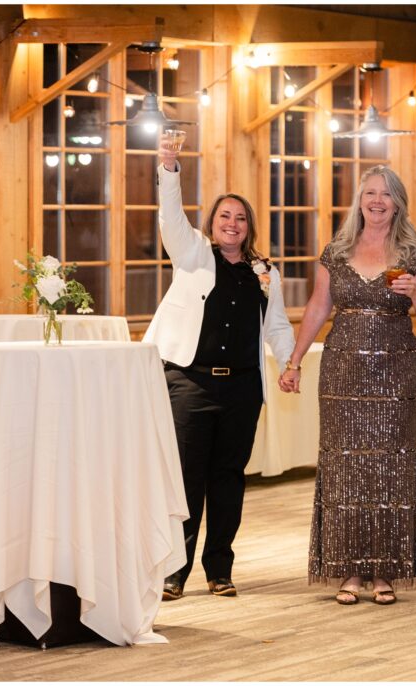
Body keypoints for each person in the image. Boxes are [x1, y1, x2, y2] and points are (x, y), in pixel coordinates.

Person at [279, 165, 416, 605]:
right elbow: (318, 306)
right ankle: (348, 569)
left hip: (395, 372)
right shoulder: (337, 250)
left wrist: (415, 294)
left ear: (398, 203)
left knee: (390, 465)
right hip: (342, 373)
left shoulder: (414, 254)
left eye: (386, 194)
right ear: (360, 200)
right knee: (345, 467)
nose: (377, 201)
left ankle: (385, 570)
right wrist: (294, 360)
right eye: (370, 193)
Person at [145, 137, 295, 601]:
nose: (232, 224)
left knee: (229, 479)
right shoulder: (192, 253)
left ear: (249, 227)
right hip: (190, 383)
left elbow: (277, 324)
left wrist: (289, 363)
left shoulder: (264, 272)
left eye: (241, 218)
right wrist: (169, 165)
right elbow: (171, 216)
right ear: (212, 223)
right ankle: (175, 573)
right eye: (225, 216)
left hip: (242, 391)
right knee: (187, 479)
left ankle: (220, 570)